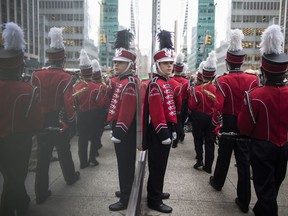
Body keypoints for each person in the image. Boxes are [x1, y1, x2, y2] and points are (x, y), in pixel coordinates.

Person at [238, 24, 288, 216]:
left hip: (261, 148)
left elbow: (244, 127)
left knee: (265, 190)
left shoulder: (254, 95)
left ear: (264, 72)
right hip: (284, 147)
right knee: (274, 184)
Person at [208, 29, 259, 213]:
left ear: (228, 62)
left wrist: (215, 126)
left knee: (224, 154)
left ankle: (218, 182)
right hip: (246, 123)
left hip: (229, 122)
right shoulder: (253, 80)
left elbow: (218, 107)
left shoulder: (222, 80)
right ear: (242, 61)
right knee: (243, 162)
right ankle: (244, 200)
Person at [31, 27, 80, 204]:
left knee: (42, 159)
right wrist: (72, 122)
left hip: (42, 121)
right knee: (64, 151)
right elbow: (68, 104)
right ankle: (70, 177)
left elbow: (34, 100)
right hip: (59, 121)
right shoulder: (66, 77)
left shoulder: (36, 75)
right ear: (63, 59)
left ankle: (40, 193)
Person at [0, 22, 43, 216]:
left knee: (10, 175)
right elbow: (36, 121)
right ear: (19, 63)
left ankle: (24, 200)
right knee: (15, 179)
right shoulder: (27, 90)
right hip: (19, 141)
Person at [142, 30, 177, 214]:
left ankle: (156, 191)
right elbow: (157, 114)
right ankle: (154, 200)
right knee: (156, 167)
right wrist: (164, 132)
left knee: (161, 166)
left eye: (171, 63)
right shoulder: (156, 84)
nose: (170, 66)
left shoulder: (165, 82)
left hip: (165, 130)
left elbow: (168, 110)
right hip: (158, 133)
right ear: (158, 65)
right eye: (166, 63)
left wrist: (172, 129)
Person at [107, 29, 139, 211]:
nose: (116, 65)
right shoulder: (124, 80)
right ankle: (125, 190)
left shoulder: (128, 83)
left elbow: (126, 112)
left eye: (120, 63)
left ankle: (125, 198)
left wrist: (118, 130)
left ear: (129, 65)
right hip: (122, 128)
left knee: (125, 164)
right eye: (116, 62)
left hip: (124, 131)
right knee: (124, 163)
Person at [73, 49, 106, 168]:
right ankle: (92, 157)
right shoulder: (96, 87)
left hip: (81, 115)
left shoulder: (76, 86)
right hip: (94, 115)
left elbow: (74, 102)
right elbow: (101, 103)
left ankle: (83, 162)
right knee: (94, 136)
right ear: (91, 72)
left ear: (81, 72)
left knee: (82, 139)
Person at [188, 51, 217, 174]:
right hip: (211, 118)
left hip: (199, 117)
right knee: (210, 142)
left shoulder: (197, 89)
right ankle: (208, 166)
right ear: (213, 76)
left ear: (203, 75)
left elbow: (192, 105)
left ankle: (199, 159)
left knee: (198, 139)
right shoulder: (217, 89)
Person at [171, 52, 189, 143]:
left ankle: (176, 136)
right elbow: (188, 94)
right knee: (181, 121)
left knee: (174, 120)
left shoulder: (170, 79)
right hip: (183, 103)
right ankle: (181, 135)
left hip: (171, 102)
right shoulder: (186, 81)